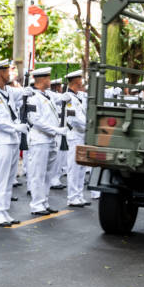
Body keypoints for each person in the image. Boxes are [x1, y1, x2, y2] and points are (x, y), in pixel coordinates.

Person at [0, 60, 31, 227]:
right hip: (1, 140)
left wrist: (28, 90)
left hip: (12, 140)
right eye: (6, 71)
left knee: (9, 178)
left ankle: (4, 211)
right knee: (1, 178)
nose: (9, 74)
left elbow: (22, 93)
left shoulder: (8, 91)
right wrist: (14, 127)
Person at [26, 67, 65, 215]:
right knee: (38, 173)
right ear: (41, 79)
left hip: (50, 140)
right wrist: (55, 130)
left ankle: (44, 201)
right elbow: (36, 120)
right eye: (48, 78)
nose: (50, 80)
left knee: (49, 173)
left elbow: (60, 99)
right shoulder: (32, 97)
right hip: (39, 139)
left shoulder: (48, 95)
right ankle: (36, 204)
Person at [64, 70, 91, 207]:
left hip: (83, 135)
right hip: (75, 135)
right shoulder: (68, 98)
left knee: (81, 167)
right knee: (74, 167)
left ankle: (79, 195)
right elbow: (74, 119)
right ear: (76, 81)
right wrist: (89, 125)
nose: (83, 80)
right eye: (81, 78)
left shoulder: (80, 96)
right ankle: (72, 196)